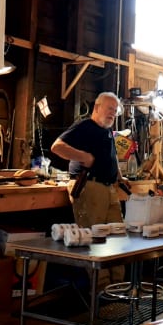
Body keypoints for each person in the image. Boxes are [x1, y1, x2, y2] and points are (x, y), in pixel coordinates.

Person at [51, 91, 126, 288]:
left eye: (115, 110)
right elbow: (57, 147)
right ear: (97, 108)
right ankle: (101, 292)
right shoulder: (85, 126)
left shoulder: (108, 131)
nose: (112, 113)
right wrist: (84, 157)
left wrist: (118, 176)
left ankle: (117, 289)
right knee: (95, 239)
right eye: (109, 108)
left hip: (108, 188)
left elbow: (111, 156)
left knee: (117, 237)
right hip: (89, 187)